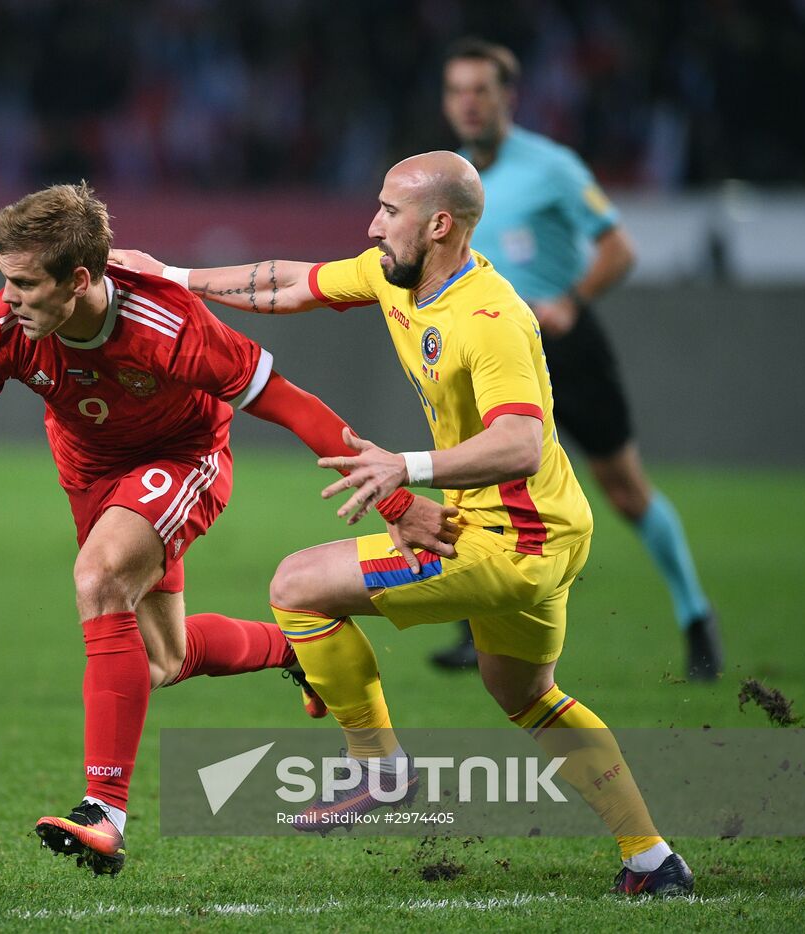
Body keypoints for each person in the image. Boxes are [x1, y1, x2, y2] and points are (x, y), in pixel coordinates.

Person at [109, 151, 695, 895]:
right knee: (528, 696)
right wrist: (171, 275)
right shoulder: (396, 276)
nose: (372, 224)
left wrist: (405, 468)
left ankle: (378, 772)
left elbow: (522, 442)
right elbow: (290, 283)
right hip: (546, 531)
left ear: (439, 224)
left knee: (296, 586)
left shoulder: (491, 318)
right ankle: (651, 860)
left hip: (506, 540)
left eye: (389, 211)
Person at [0, 182, 455, 877]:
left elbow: (293, 405)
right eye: (6, 281)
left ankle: (103, 813)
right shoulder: (6, 327)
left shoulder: (167, 325)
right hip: (91, 477)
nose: (10, 298)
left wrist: (395, 502)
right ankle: (291, 649)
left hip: (183, 460)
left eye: (25, 283)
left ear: (79, 280)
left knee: (99, 576)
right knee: (158, 663)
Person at [431, 38, 721, 679]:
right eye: (457, 91)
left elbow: (618, 248)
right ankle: (471, 626)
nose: (469, 103)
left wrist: (570, 300)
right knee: (473, 487)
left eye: (482, 89)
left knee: (624, 490)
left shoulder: (552, 166)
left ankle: (696, 615)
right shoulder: (449, 176)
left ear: (510, 97)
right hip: (489, 350)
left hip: (563, 346)